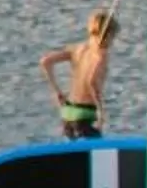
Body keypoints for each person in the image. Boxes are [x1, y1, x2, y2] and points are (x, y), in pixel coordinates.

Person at [40, 11, 115, 139]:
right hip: (85, 115)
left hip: (68, 112)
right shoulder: (100, 55)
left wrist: (57, 91)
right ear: (108, 35)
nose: (112, 42)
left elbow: (45, 61)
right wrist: (100, 111)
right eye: (112, 37)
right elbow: (92, 82)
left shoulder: (77, 49)